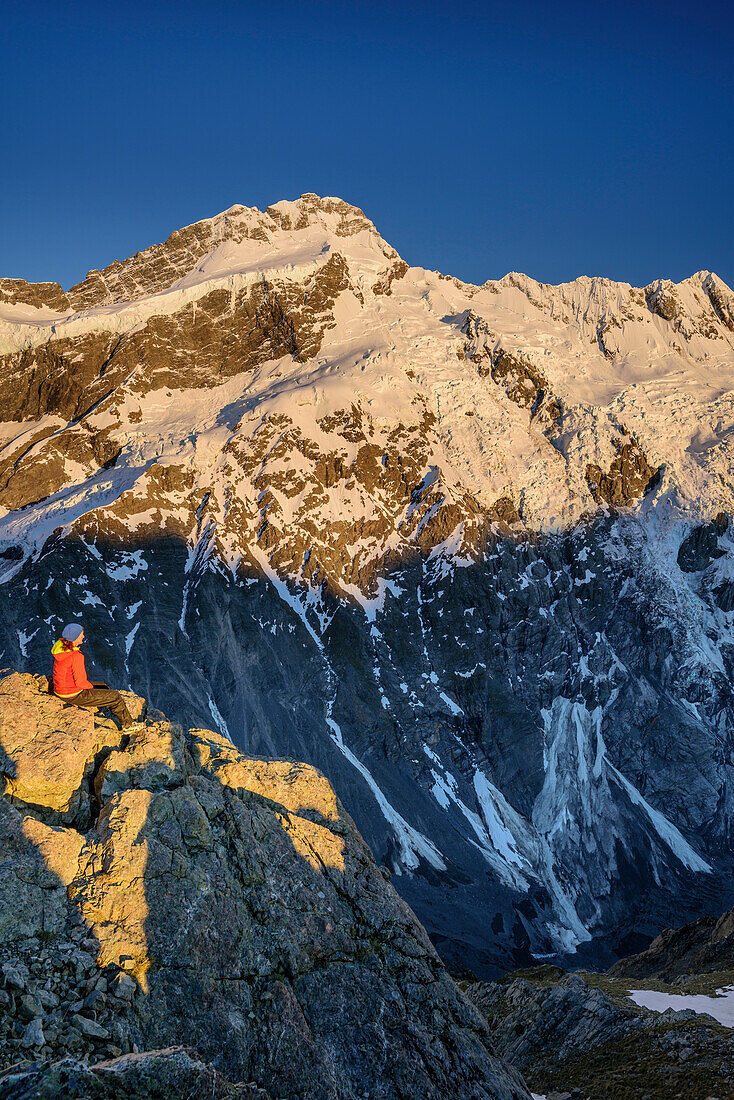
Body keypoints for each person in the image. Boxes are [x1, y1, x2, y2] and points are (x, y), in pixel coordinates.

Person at [51, 623, 136, 730]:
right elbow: (81, 683)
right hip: (72, 694)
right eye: (81, 634)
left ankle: (101, 705)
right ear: (75, 637)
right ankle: (128, 725)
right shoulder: (76, 656)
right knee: (115, 696)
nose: (83, 636)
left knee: (102, 686)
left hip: (60, 690)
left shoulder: (61, 650)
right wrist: (92, 690)